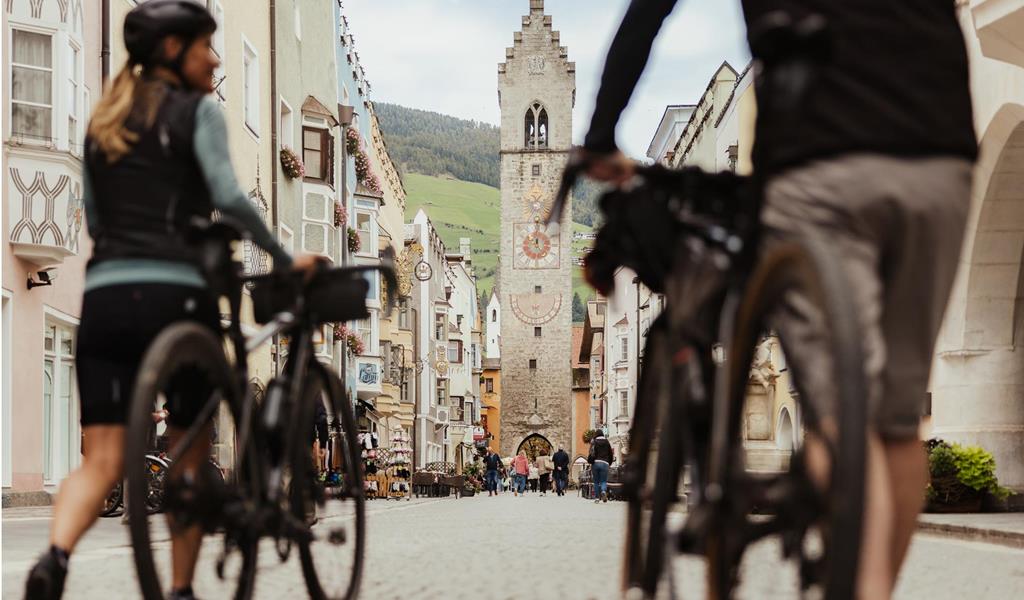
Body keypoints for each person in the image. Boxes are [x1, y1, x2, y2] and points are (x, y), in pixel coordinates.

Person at [581, 1, 975, 596]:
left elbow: (648, 12)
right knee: (896, 424)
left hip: (817, 153)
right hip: (938, 145)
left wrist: (602, 132)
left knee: (845, 413)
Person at [23, 3, 320, 599]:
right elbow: (231, 198)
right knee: (187, 455)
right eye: (203, 47)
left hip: (105, 302)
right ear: (171, 54)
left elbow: (97, 217)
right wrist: (286, 261)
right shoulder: (196, 113)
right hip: (175, 297)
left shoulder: (102, 123)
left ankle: (52, 560)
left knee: (100, 462)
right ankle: (180, 589)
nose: (213, 58)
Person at [587, 431, 614, 503]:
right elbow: (610, 453)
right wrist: (610, 462)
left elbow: (590, 452)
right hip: (605, 463)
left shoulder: (594, 442)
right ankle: (603, 491)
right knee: (603, 481)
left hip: (595, 463)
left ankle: (597, 498)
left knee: (596, 482)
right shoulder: (607, 442)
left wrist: (590, 460)